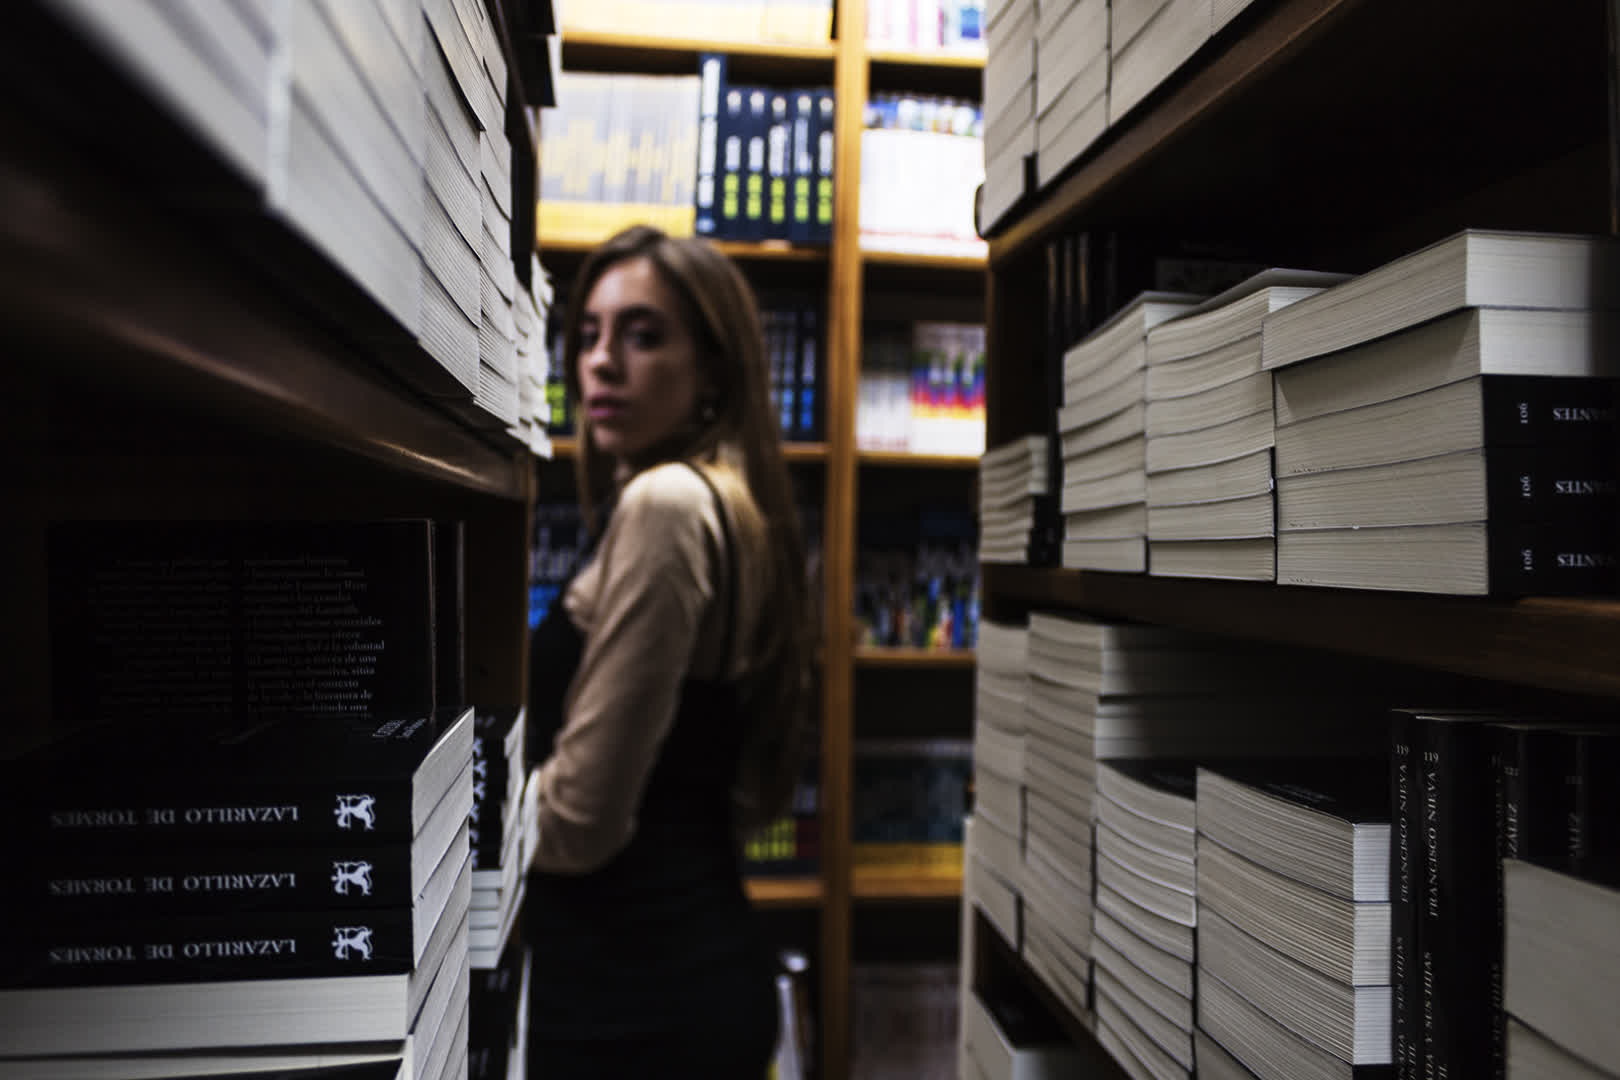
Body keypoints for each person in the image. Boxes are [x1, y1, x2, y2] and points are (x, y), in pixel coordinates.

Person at [523, 225, 815, 1076]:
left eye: (643, 334)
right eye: (587, 335)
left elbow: (580, 821)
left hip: (635, 996)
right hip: (672, 969)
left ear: (715, 369)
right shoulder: (723, 498)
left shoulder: (667, 505)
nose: (601, 363)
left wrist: (434, 824)